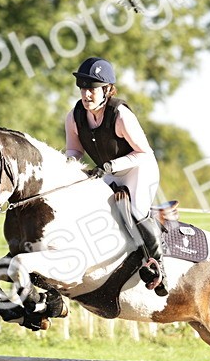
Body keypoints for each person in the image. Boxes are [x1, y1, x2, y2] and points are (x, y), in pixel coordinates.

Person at [63, 57, 169, 296]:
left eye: (93, 88)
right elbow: (74, 151)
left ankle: (157, 266)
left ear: (107, 90)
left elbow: (144, 153)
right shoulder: (74, 116)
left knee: (134, 211)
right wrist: (68, 166)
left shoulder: (120, 115)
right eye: (83, 87)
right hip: (109, 172)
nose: (86, 94)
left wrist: (111, 166)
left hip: (139, 170)